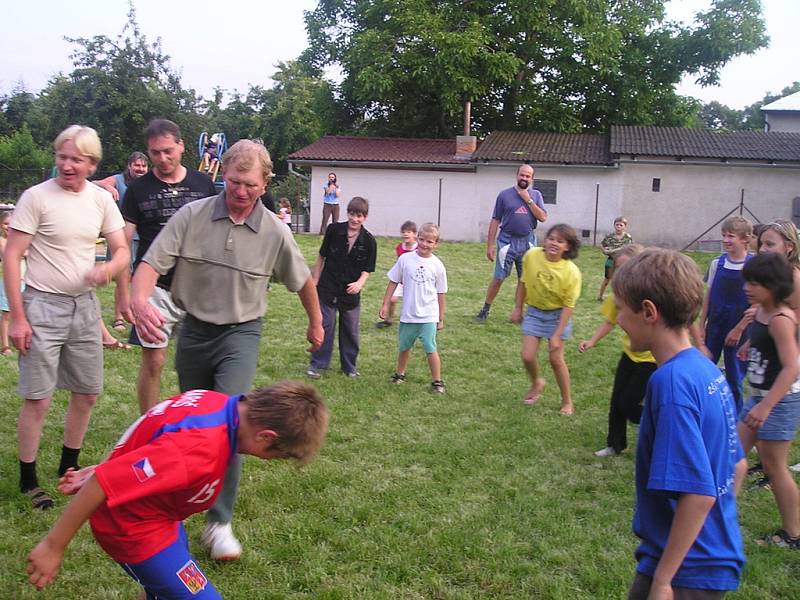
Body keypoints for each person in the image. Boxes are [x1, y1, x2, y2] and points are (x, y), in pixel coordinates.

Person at [131, 139, 324, 561]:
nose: (241, 191)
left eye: (250, 184)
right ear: (224, 177)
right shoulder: (193, 215)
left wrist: (316, 321)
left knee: (234, 419)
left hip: (241, 333)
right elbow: (150, 263)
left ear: (264, 182)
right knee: (191, 423)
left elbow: (303, 279)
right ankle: (175, 507)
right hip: (194, 331)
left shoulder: (274, 229)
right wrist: (138, 299)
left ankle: (219, 523)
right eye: (235, 181)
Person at [26, 381, 329, 598]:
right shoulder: (198, 449)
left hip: (163, 520)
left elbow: (151, 427)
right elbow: (105, 484)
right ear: (265, 437)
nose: (272, 460)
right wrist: (53, 546)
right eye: (279, 455)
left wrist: (109, 464)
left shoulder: (215, 401)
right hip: (136, 532)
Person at [3, 125, 130, 510]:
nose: (67, 165)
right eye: (62, 156)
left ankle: (68, 467)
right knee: (38, 399)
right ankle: (29, 479)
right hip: (41, 305)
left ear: (92, 163)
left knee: (88, 391)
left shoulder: (100, 199)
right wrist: (19, 318)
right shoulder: (36, 198)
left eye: (76, 159)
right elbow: (12, 256)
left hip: (85, 308)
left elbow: (121, 248)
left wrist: (108, 271)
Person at [612, 249, 746, 599]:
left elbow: (699, 495)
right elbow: (739, 465)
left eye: (621, 308)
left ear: (648, 312)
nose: (618, 319)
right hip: (703, 554)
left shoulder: (670, 383)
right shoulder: (706, 369)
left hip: (685, 568)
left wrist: (664, 580)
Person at [118, 119, 217, 414]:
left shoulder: (203, 184)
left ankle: (198, 423)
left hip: (197, 288)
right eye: (155, 153)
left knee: (199, 362)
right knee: (154, 362)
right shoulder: (138, 190)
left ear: (181, 146)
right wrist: (124, 294)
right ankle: (148, 424)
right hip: (155, 287)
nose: (162, 159)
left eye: (167, 151)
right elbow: (123, 245)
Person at [736, 253, 800, 549]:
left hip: (779, 401)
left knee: (775, 467)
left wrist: (766, 406)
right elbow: (765, 338)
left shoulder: (781, 319)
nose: (748, 287)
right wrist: (750, 344)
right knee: (733, 454)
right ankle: (717, 515)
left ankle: (793, 534)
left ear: (774, 286)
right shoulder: (761, 311)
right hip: (758, 396)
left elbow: (792, 366)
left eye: (756, 283)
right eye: (747, 280)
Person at [579, 244, 656, 457]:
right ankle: (615, 444)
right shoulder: (619, 295)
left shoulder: (652, 294)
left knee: (628, 402)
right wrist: (592, 341)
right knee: (616, 401)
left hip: (651, 359)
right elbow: (609, 321)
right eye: (618, 268)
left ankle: (657, 426)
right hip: (629, 354)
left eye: (626, 267)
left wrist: (700, 344)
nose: (621, 273)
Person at [511, 224, 581, 415]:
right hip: (534, 311)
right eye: (551, 238)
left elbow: (569, 306)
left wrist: (557, 335)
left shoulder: (571, 272)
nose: (554, 243)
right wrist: (518, 307)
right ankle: (537, 382)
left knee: (556, 359)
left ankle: (567, 401)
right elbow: (523, 282)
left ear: (567, 246)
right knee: (527, 356)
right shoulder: (532, 256)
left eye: (560, 241)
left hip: (558, 315)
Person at [307, 196, 376, 379]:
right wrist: (315, 279)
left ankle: (349, 367)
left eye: (359, 216)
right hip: (328, 287)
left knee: (350, 330)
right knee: (325, 325)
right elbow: (322, 256)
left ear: (365, 217)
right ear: (348, 213)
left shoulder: (369, 241)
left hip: (350, 293)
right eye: (352, 214)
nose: (355, 219)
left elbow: (367, 269)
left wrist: (359, 283)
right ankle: (318, 364)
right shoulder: (334, 230)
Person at [380, 222, 447, 393]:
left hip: (428, 316)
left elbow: (441, 293)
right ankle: (400, 374)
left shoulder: (438, 265)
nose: (425, 244)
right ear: (417, 238)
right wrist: (386, 304)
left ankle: (437, 381)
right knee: (404, 347)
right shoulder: (405, 260)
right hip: (409, 315)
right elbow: (393, 281)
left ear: (436, 244)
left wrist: (440, 317)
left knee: (431, 348)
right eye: (422, 240)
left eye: (430, 242)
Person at [475, 164, 547, 323]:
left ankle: (518, 311)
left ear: (532, 178)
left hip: (528, 242)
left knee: (525, 279)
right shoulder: (504, 195)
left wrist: (527, 199)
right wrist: (490, 245)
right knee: (499, 278)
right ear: (517, 175)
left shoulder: (536, 195)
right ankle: (485, 309)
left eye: (528, 176)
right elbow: (495, 219)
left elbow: (542, 217)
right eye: (522, 175)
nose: (524, 178)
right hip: (507, 242)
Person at [698, 216, 753, 414]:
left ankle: (736, 423)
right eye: (724, 236)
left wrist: (739, 329)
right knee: (705, 371)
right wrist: (701, 326)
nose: (726, 240)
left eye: (731, 236)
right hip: (715, 325)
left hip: (740, 329)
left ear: (746, 239)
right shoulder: (717, 264)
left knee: (734, 377)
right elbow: (708, 297)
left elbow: (756, 304)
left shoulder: (752, 265)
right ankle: (705, 411)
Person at [376, 220, 418, 328]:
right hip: (401, 278)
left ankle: (414, 322)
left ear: (414, 234)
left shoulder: (418, 249)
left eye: (408, 232)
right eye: (403, 232)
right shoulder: (399, 247)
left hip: (413, 280)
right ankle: (389, 319)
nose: (405, 234)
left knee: (412, 302)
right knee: (392, 299)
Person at [0, 209, 22, 356]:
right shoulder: (2, 241)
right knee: (7, 313)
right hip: (8, 281)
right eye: (6, 224)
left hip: (24, 280)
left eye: (12, 224)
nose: (9, 226)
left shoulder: (19, 240)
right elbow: (7, 254)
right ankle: (5, 347)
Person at [596, 216, 633, 301]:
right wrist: (605, 250)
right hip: (611, 260)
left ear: (625, 227)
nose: (619, 227)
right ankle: (600, 296)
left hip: (623, 262)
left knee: (622, 280)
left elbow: (631, 248)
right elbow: (602, 245)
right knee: (607, 279)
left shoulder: (628, 237)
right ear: (614, 226)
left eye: (621, 225)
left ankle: (622, 298)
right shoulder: (610, 236)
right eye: (617, 225)